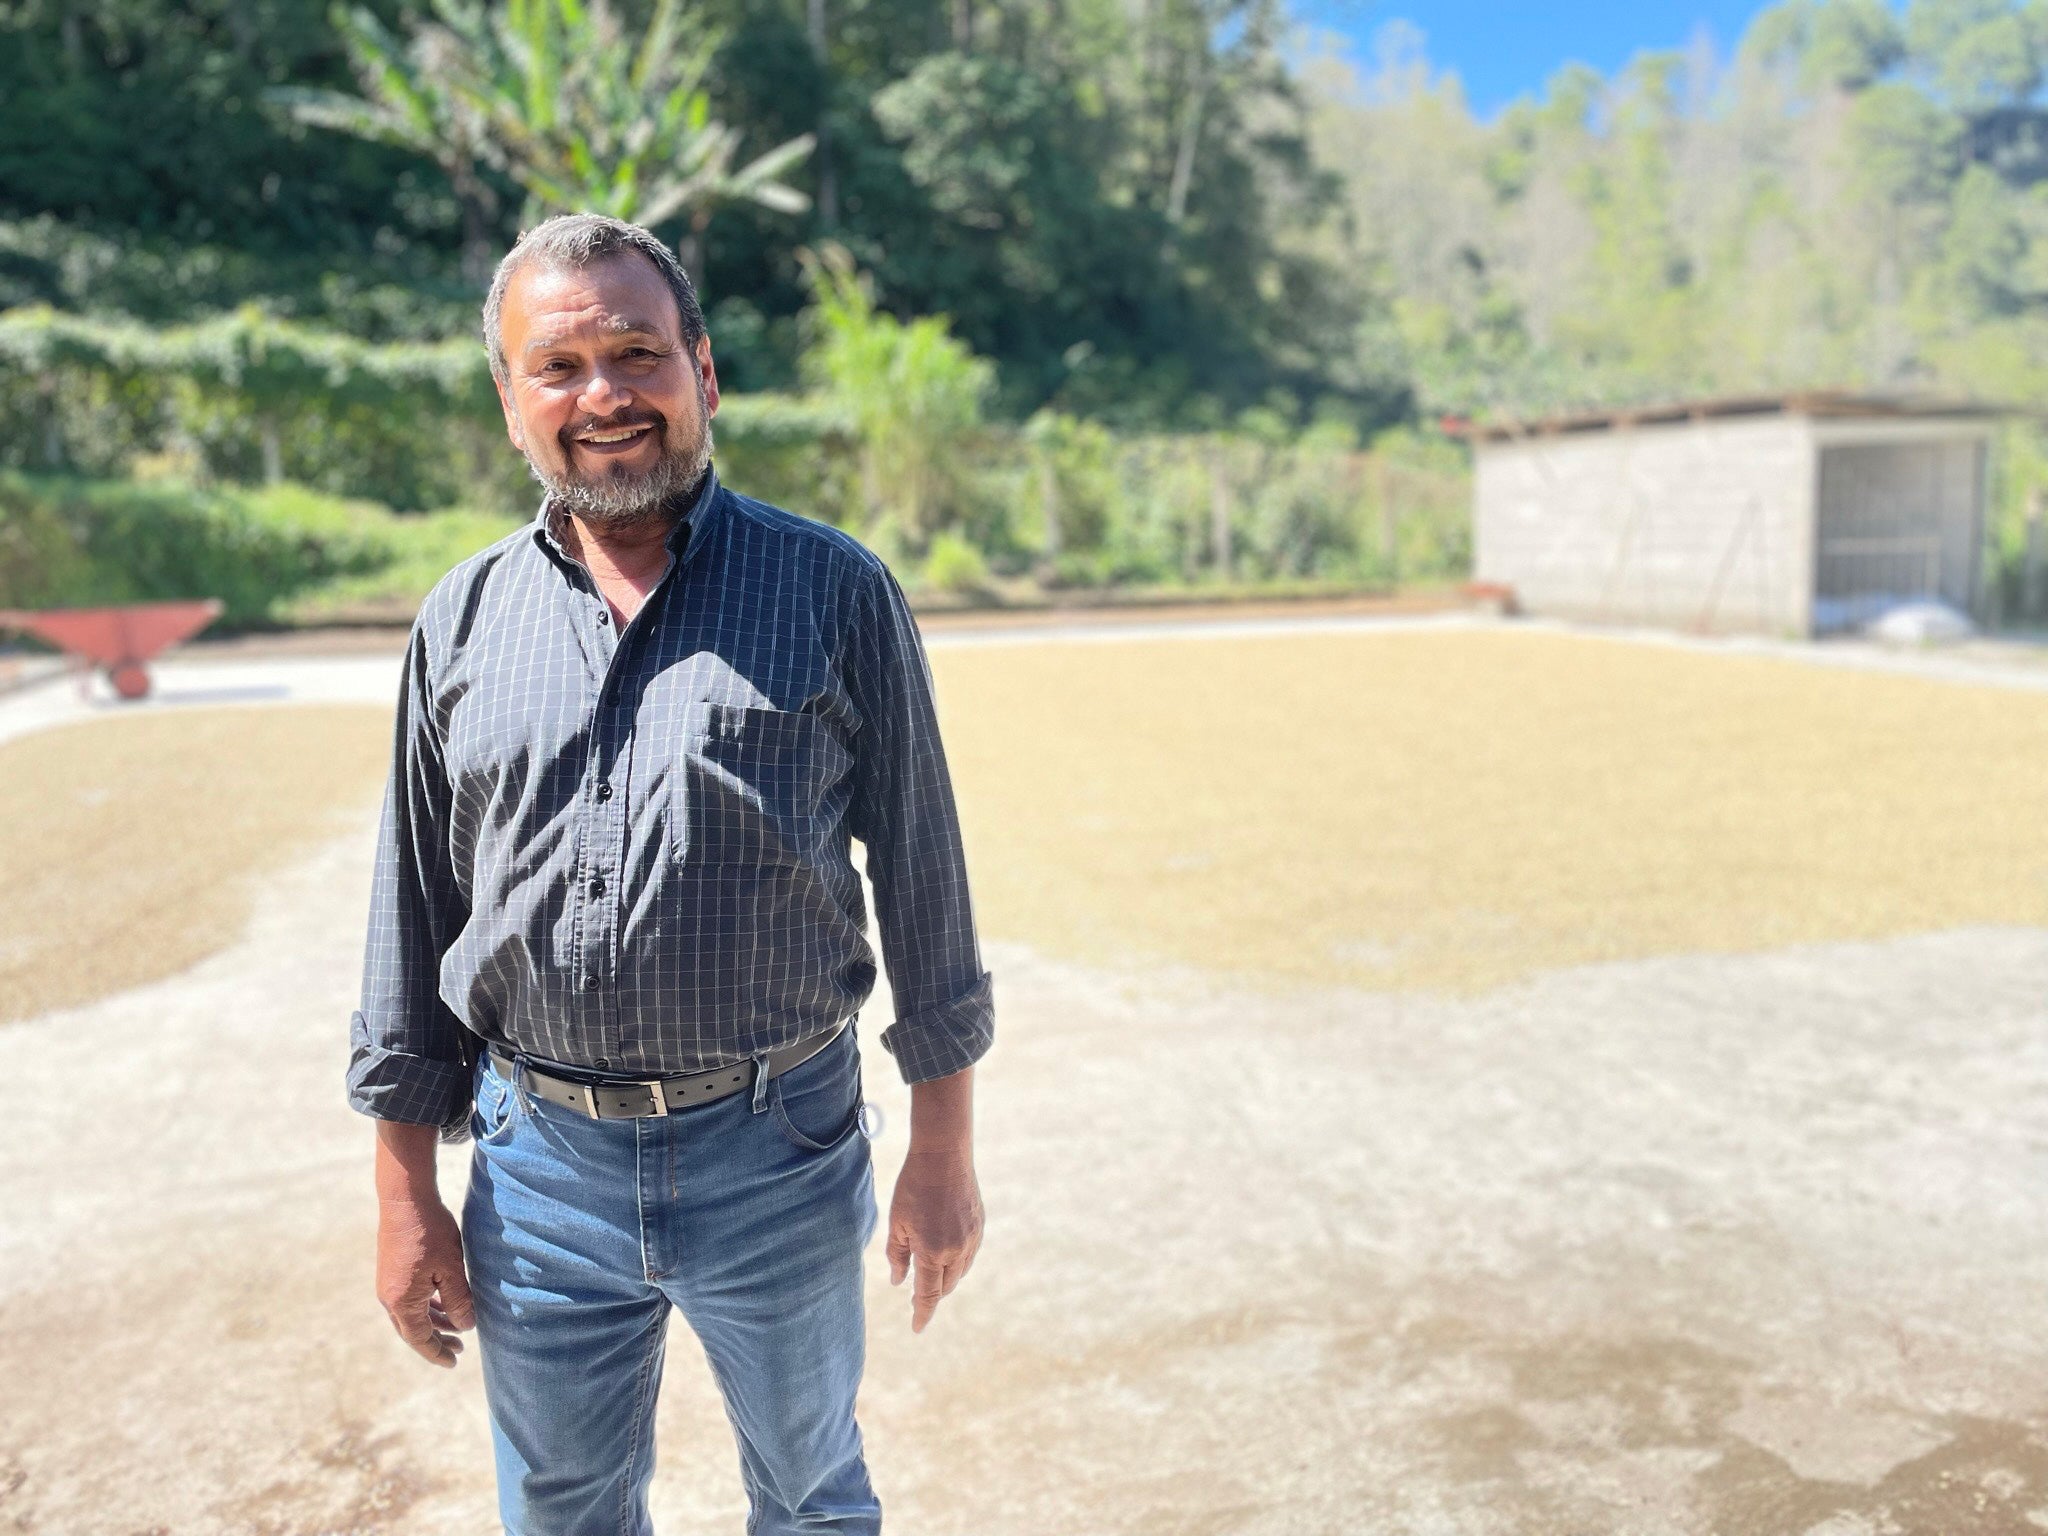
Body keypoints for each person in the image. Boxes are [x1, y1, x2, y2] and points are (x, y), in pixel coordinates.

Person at [346, 212, 994, 1536]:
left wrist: (944, 1141)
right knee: (567, 1511)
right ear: (512, 400)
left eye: (637, 353)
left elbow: (925, 868)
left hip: (781, 1148)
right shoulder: (460, 621)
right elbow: (415, 912)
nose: (604, 396)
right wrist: (405, 1187)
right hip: (538, 1166)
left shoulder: (833, 591)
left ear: (703, 371)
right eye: (560, 368)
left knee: (812, 1494)